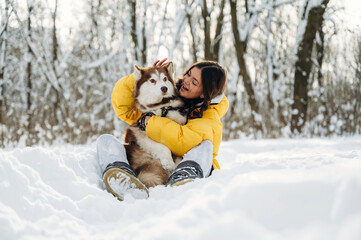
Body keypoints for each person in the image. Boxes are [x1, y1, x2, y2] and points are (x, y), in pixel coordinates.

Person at [96, 58, 229, 200]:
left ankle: (183, 179)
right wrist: (140, 78)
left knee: (204, 147)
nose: (186, 80)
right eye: (188, 74)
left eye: (194, 82)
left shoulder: (209, 114)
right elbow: (124, 109)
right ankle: (122, 176)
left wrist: (151, 123)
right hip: (150, 162)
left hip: (182, 163)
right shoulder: (168, 91)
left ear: (204, 93)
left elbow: (185, 142)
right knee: (105, 141)